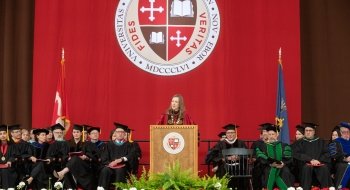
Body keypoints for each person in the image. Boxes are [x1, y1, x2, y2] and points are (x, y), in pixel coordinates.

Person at [293, 122, 334, 189]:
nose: (308, 132)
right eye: (306, 130)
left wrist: (318, 161)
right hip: (305, 164)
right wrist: (310, 160)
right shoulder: (299, 142)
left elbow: (327, 153)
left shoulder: (321, 141)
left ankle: (325, 188)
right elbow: (297, 154)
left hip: (319, 163)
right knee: (307, 167)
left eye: (310, 130)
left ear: (314, 132)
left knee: (324, 168)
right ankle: (306, 188)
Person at [53, 124, 94, 189]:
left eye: (77, 132)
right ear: (72, 133)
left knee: (75, 158)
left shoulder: (87, 143)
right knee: (72, 160)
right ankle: (70, 187)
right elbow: (63, 156)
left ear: (81, 133)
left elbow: (90, 156)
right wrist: (68, 158)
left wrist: (85, 157)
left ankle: (61, 173)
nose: (76, 134)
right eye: (74, 132)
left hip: (83, 166)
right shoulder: (67, 143)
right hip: (70, 165)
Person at [255, 124, 294, 190]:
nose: (271, 136)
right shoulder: (263, 146)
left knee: (286, 171)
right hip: (268, 166)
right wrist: (269, 163)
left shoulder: (284, 145)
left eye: (273, 134)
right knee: (267, 171)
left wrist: (283, 163)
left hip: (282, 166)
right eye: (269, 134)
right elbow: (260, 156)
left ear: (277, 135)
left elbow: (288, 157)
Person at [209, 123, 248, 189]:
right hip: (224, 168)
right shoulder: (220, 144)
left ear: (235, 134)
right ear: (226, 134)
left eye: (232, 133)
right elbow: (213, 156)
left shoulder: (241, 143)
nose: (230, 135)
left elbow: (247, 155)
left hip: (238, 169)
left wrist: (238, 157)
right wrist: (226, 158)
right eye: (228, 133)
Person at [98, 122, 135, 189]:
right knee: (105, 170)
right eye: (118, 132)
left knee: (120, 170)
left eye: (122, 132)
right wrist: (110, 163)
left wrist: (121, 160)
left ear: (124, 134)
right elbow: (104, 157)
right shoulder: (109, 145)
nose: (120, 134)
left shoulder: (129, 145)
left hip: (123, 167)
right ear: (115, 133)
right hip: (110, 166)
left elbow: (131, 156)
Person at [329, 122, 350, 188]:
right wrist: (345, 158)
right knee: (345, 166)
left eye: (347, 132)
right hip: (340, 162)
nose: (346, 134)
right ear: (340, 133)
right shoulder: (335, 142)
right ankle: (340, 187)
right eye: (344, 132)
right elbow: (333, 155)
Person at [251, 123, 271, 190]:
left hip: (270, 164)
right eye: (264, 132)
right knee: (257, 171)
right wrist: (255, 158)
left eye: (267, 131)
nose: (265, 133)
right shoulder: (256, 143)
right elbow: (253, 155)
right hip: (259, 165)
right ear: (261, 134)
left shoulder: (273, 143)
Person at [0, 124, 17, 188]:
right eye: (0, 134)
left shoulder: (12, 145)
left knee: (4, 171)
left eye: (4, 133)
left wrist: (10, 161)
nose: (2, 135)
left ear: (7, 134)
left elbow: (14, 155)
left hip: (9, 167)